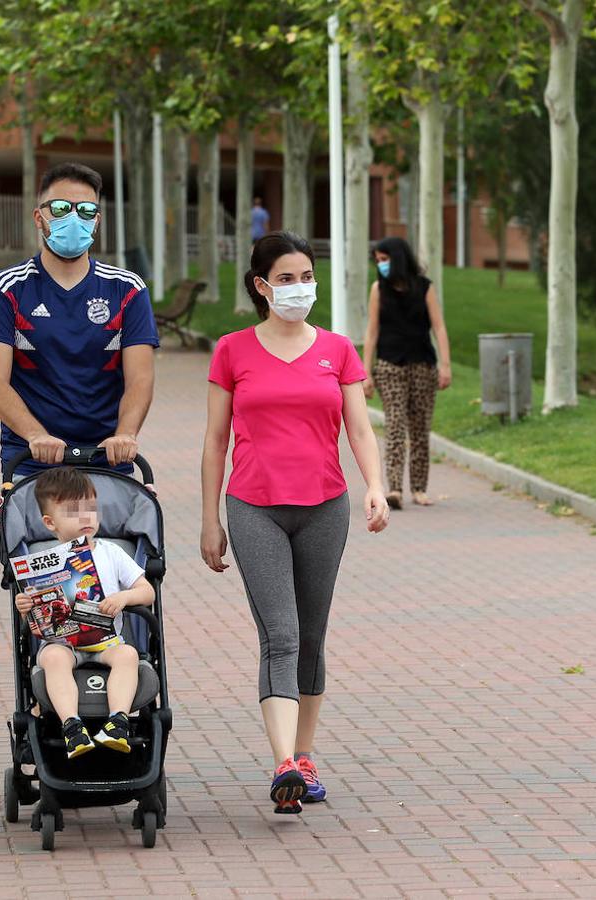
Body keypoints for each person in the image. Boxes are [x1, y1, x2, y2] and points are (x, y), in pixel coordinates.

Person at [200, 230, 389, 815]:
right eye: (286, 279)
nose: (299, 288)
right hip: (255, 506)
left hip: (324, 508)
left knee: (311, 635)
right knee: (279, 633)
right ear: (261, 286)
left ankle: (303, 757)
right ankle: (283, 761)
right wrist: (210, 521)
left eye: (307, 276)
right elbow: (214, 442)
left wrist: (375, 488)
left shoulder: (338, 349)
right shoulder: (233, 350)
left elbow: (359, 429)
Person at [0, 162, 158, 479]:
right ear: (39, 217)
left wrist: (125, 434)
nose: (73, 218)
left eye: (85, 210)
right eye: (60, 207)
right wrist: (35, 435)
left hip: (108, 462)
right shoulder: (7, 289)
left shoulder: (127, 289)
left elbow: (140, 379)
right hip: (31, 462)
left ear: (96, 221)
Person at [15, 466, 154, 758]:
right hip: (62, 642)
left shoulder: (111, 552)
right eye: (73, 513)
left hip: (105, 641)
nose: (86, 518)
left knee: (128, 655)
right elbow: (34, 620)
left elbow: (147, 591)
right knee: (52, 657)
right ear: (50, 523)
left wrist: (124, 597)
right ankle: (71, 725)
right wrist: (26, 608)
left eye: (90, 509)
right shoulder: (44, 562)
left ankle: (118, 721)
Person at [362, 236, 452, 509]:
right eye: (378, 261)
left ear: (398, 258)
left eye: (385, 259)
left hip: (422, 364)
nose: (381, 265)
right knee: (395, 426)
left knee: (420, 428)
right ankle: (395, 489)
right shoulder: (378, 289)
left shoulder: (424, 288)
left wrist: (445, 365)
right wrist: (366, 371)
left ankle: (419, 488)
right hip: (389, 365)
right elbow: (372, 331)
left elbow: (439, 327)